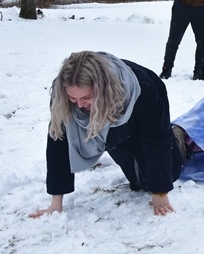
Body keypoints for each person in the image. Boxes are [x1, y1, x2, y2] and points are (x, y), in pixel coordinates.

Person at [31, 51, 186, 218]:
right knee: (138, 183)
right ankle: (114, 138)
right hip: (107, 119)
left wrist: (160, 196)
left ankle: (177, 137)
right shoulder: (62, 95)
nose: (80, 104)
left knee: (168, 174)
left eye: (87, 97)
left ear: (102, 89)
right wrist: (56, 203)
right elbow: (58, 143)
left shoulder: (143, 89)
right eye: (73, 98)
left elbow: (156, 140)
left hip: (141, 110)